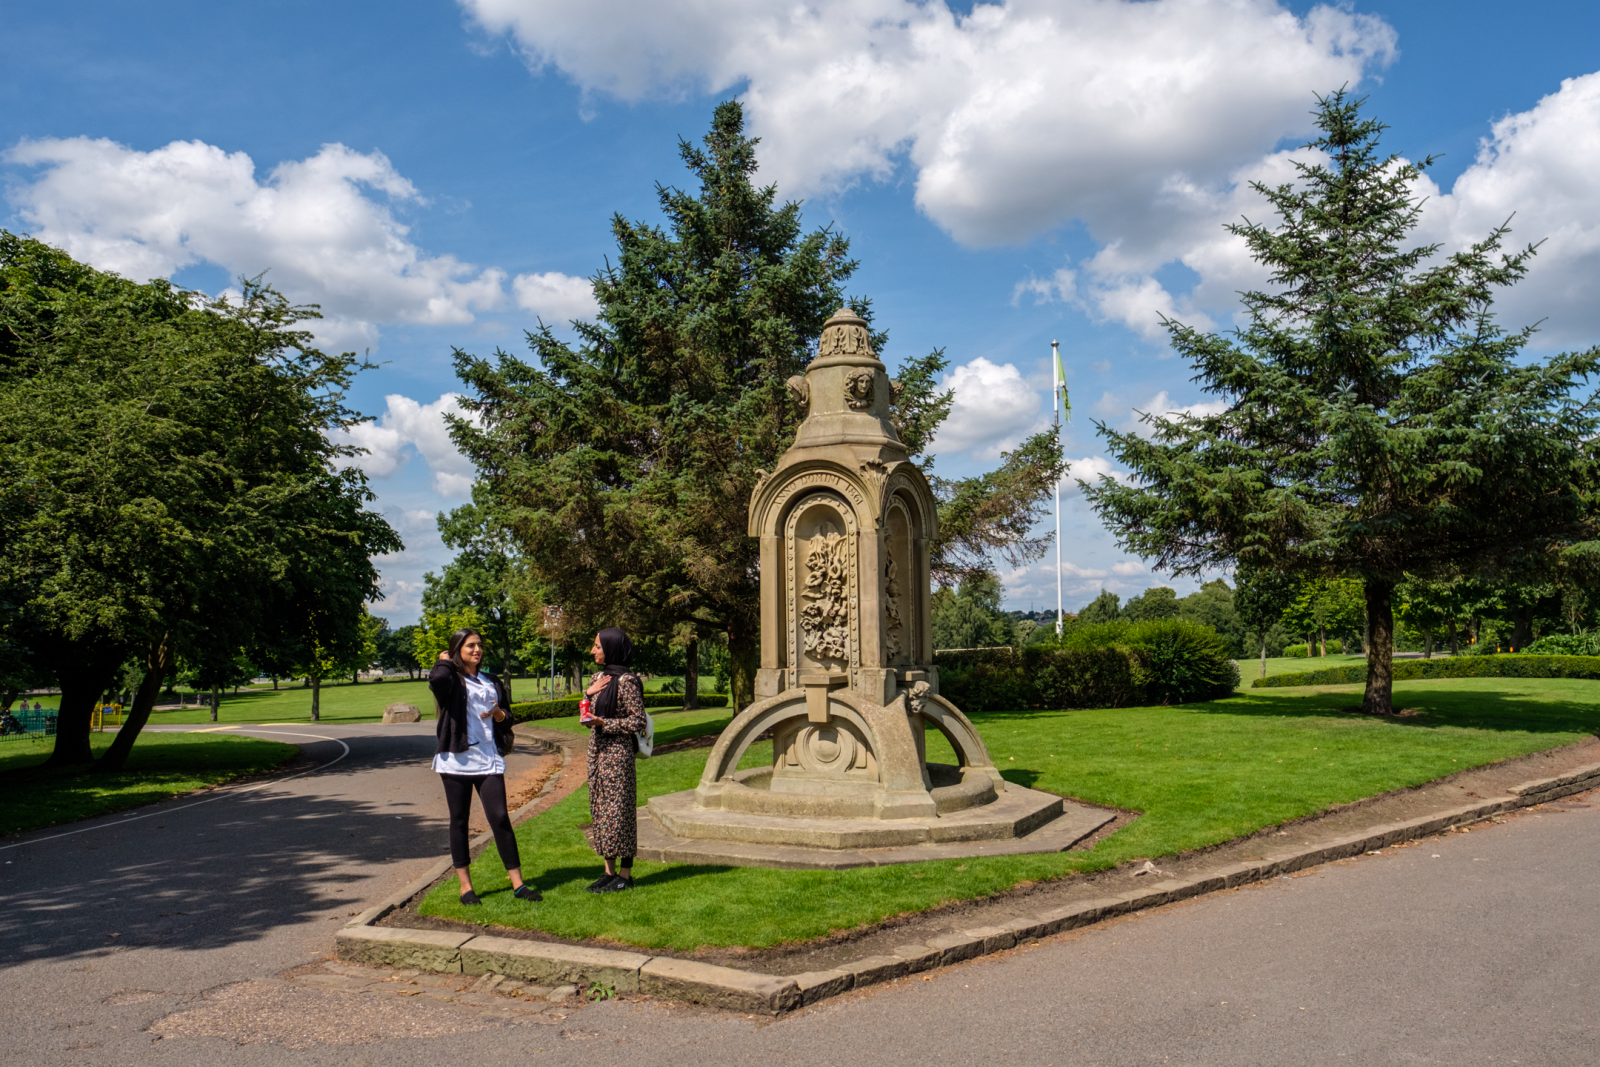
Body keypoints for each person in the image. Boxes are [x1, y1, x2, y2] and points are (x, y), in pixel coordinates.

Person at [429, 627, 540, 905]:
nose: (477, 650)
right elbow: (437, 679)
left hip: (489, 759)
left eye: (479, 645)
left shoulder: (491, 680)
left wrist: (500, 714)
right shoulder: (451, 679)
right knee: (459, 821)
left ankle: (518, 884)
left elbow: (507, 716)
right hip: (456, 760)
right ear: (458, 650)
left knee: (500, 817)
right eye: (469, 646)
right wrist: (444, 660)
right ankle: (466, 887)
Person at [581, 627, 647, 893]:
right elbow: (588, 710)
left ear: (611, 647)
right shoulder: (600, 677)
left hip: (617, 754)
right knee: (600, 811)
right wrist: (588, 694)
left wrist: (603, 723)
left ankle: (625, 875)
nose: (593, 650)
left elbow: (637, 720)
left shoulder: (627, 681)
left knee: (619, 813)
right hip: (596, 751)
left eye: (597, 645)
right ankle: (608, 873)